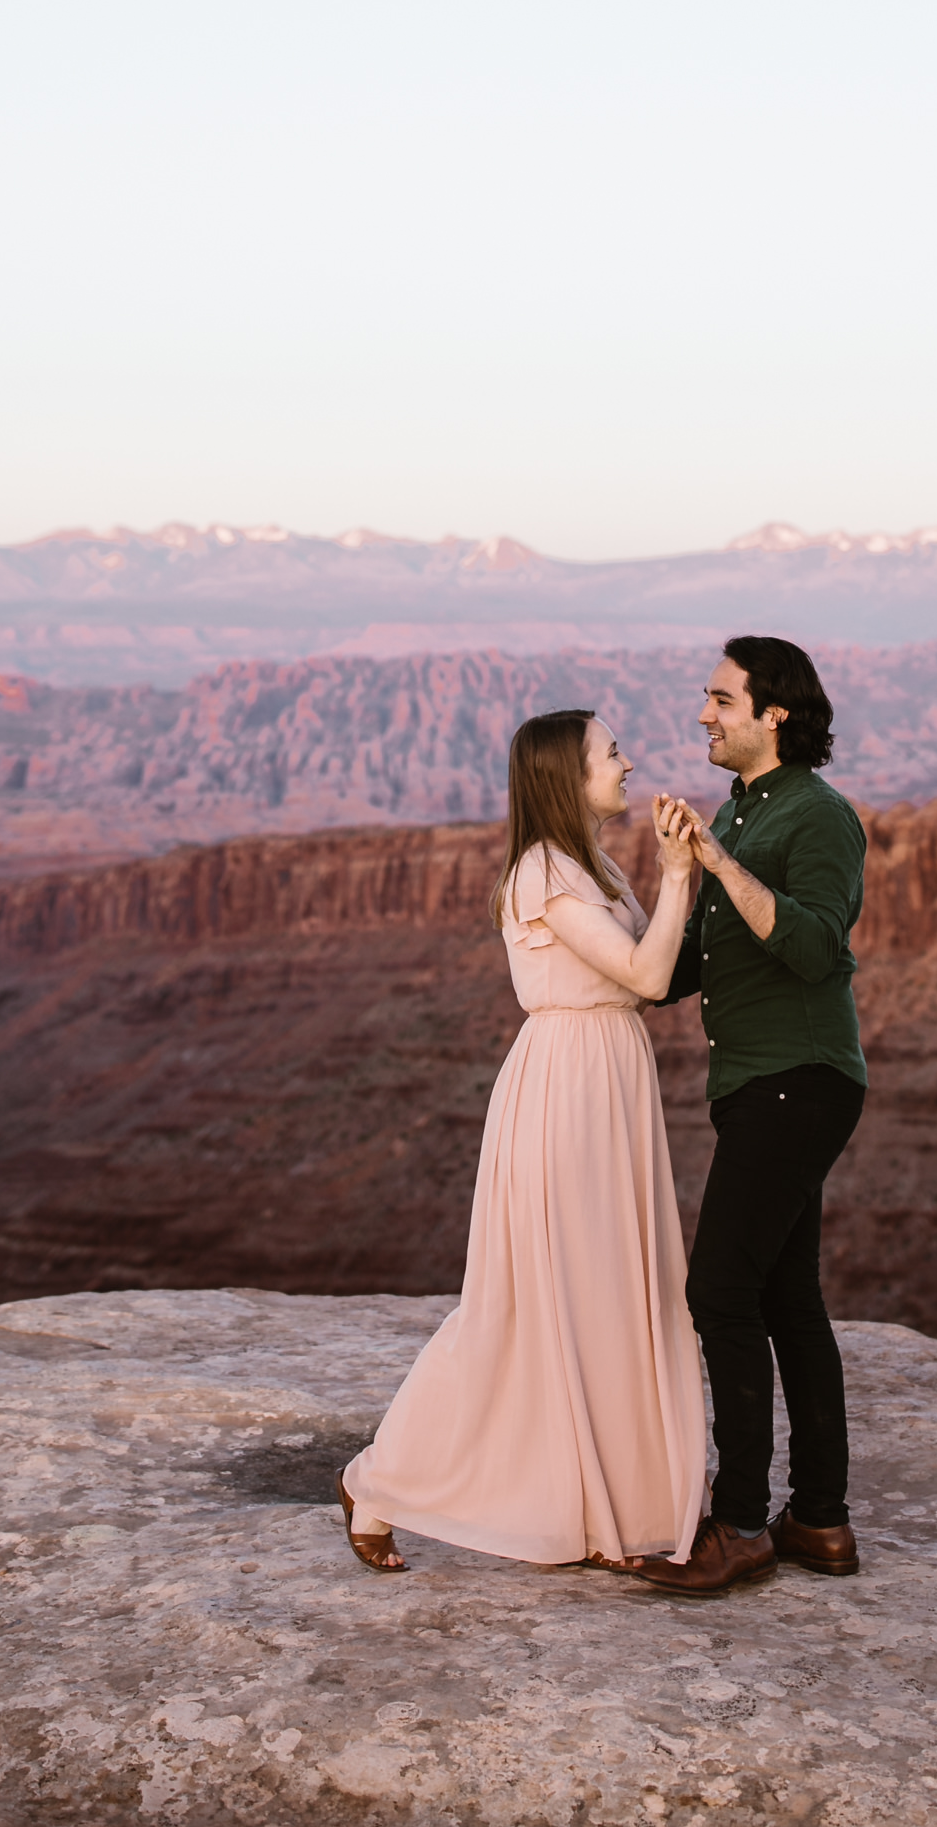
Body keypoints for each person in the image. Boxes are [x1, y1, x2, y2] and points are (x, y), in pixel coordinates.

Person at [336, 709, 707, 1576]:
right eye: (610, 753)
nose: (626, 764)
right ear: (564, 777)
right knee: (529, 1305)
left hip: (609, 1076)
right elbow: (649, 974)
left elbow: (652, 971)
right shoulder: (544, 875)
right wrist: (681, 871)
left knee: (609, 1297)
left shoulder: (594, 863)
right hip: (568, 1088)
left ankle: (608, 1516)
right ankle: (379, 1482)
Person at [635, 636, 868, 1597]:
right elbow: (678, 974)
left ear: (774, 713)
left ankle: (738, 1523)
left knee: (719, 1293)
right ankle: (817, 1521)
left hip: (798, 1079)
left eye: (720, 698)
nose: (703, 714)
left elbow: (815, 947)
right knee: (785, 1300)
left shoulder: (817, 817)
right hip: (760, 1086)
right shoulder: (739, 808)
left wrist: (722, 864)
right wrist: (656, 885)